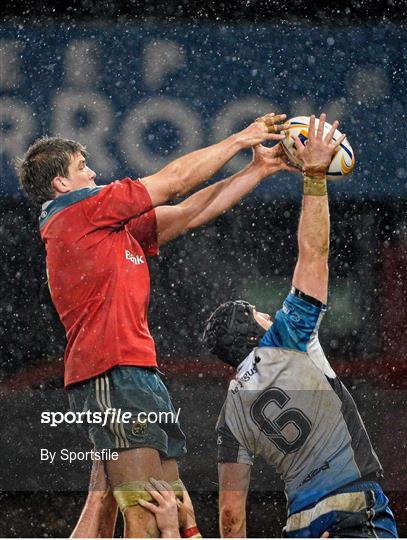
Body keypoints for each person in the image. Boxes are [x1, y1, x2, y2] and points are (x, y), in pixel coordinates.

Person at [17, 112, 296, 538]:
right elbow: (175, 180)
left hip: (137, 375)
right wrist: (241, 139)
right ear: (61, 184)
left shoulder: (107, 226)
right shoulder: (80, 213)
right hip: (111, 373)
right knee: (146, 515)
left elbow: (188, 211)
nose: (93, 172)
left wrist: (258, 168)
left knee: (177, 513)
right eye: (81, 167)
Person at [203, 114, 399, 538]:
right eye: (259, 313)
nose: (269, 315)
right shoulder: (287, 338)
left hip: (301, 526)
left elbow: (231, 517)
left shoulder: (230, 414)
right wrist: (313, 175)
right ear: (253, 331)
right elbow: (314, 253)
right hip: (353, 509)